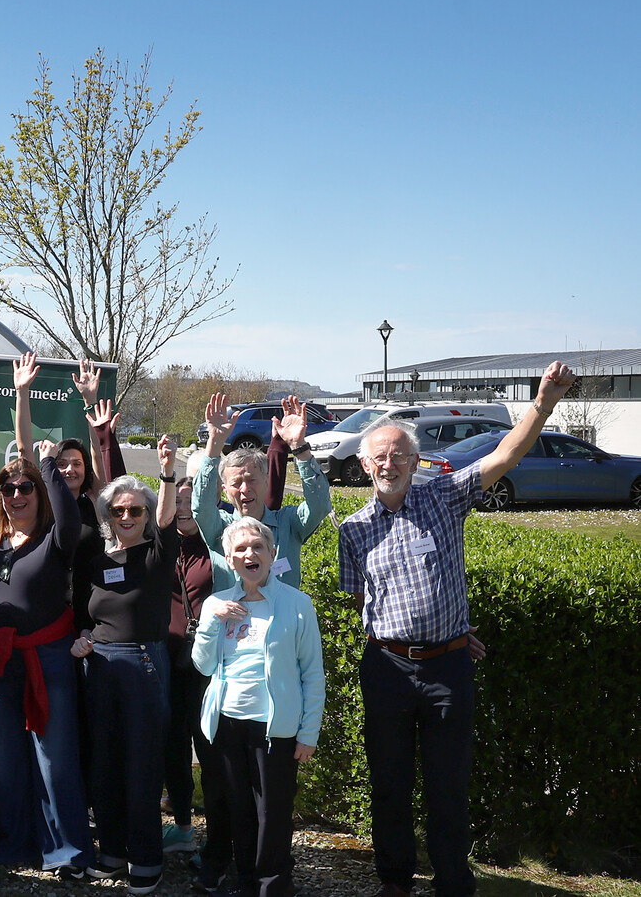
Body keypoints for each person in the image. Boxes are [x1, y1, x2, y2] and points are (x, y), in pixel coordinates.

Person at [337, 361, 573, 897]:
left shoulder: (443, 496)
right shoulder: (353, 529)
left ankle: (452, 883)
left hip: (448, 668)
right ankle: (394, 881)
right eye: (379, 456)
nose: (389, 462)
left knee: (448, 787)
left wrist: (544, 402)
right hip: (387, 669)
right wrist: (407, 635)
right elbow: (361, 601)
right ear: (365, 463)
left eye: (399, 454)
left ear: (415, 460)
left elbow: (505, 454)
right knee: (389, 786)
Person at [0, 352, 92, 877]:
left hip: (50, 658)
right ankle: (16, 843)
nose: (15, 494)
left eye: (25, 487)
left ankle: (68, 849)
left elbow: (48, 480)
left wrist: (26, 408)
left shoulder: (58, 538)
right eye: (7, 489)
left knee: (54, 759)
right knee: (8, 761)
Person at [71, 433, 179, 896]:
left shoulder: (157, 554)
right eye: (119, 510)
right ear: (107, 516)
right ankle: (112, 851)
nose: (128, 517)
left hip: (143, 666)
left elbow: (170, 521)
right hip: (100, 667)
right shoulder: (94, 561)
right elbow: (83, 616)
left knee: (141, 768)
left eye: (137, 510)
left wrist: (168, 471)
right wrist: (81, 640)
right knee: (106, 765)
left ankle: (146, 860)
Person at [193, 517, 324, 897]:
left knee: (273, 814)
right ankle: (247, 883)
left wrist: (308, 732)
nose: (250, 554)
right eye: (240, 549)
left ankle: (274, 886)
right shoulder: (218, 603)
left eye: (258, 547)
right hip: (229, 723)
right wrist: (212, 624)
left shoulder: (297, 604)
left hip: (275, 727)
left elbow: (312, 673)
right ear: (230, 560)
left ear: (272, 553)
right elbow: (202, 664)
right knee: (239, 809)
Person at [195, 394, 331, 591]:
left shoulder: (289, 523)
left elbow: (319, 505)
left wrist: (299, 447)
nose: (245, 489)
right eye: (236, 483)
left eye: (251, 480)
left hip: (281, 620)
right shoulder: (219, 527)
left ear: (266, 482)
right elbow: (201, 506)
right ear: (225, 490)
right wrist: (215, 443)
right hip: (233, 619)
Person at [164, 454, 226, 879]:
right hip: (168, 659)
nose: (184, 507)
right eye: (178, 501)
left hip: (206, 662)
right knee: (172, 747)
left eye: (191, 500)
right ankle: (183, 825)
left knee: (209, 747)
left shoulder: (218, 546)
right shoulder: (163, 543)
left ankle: (218, 834)